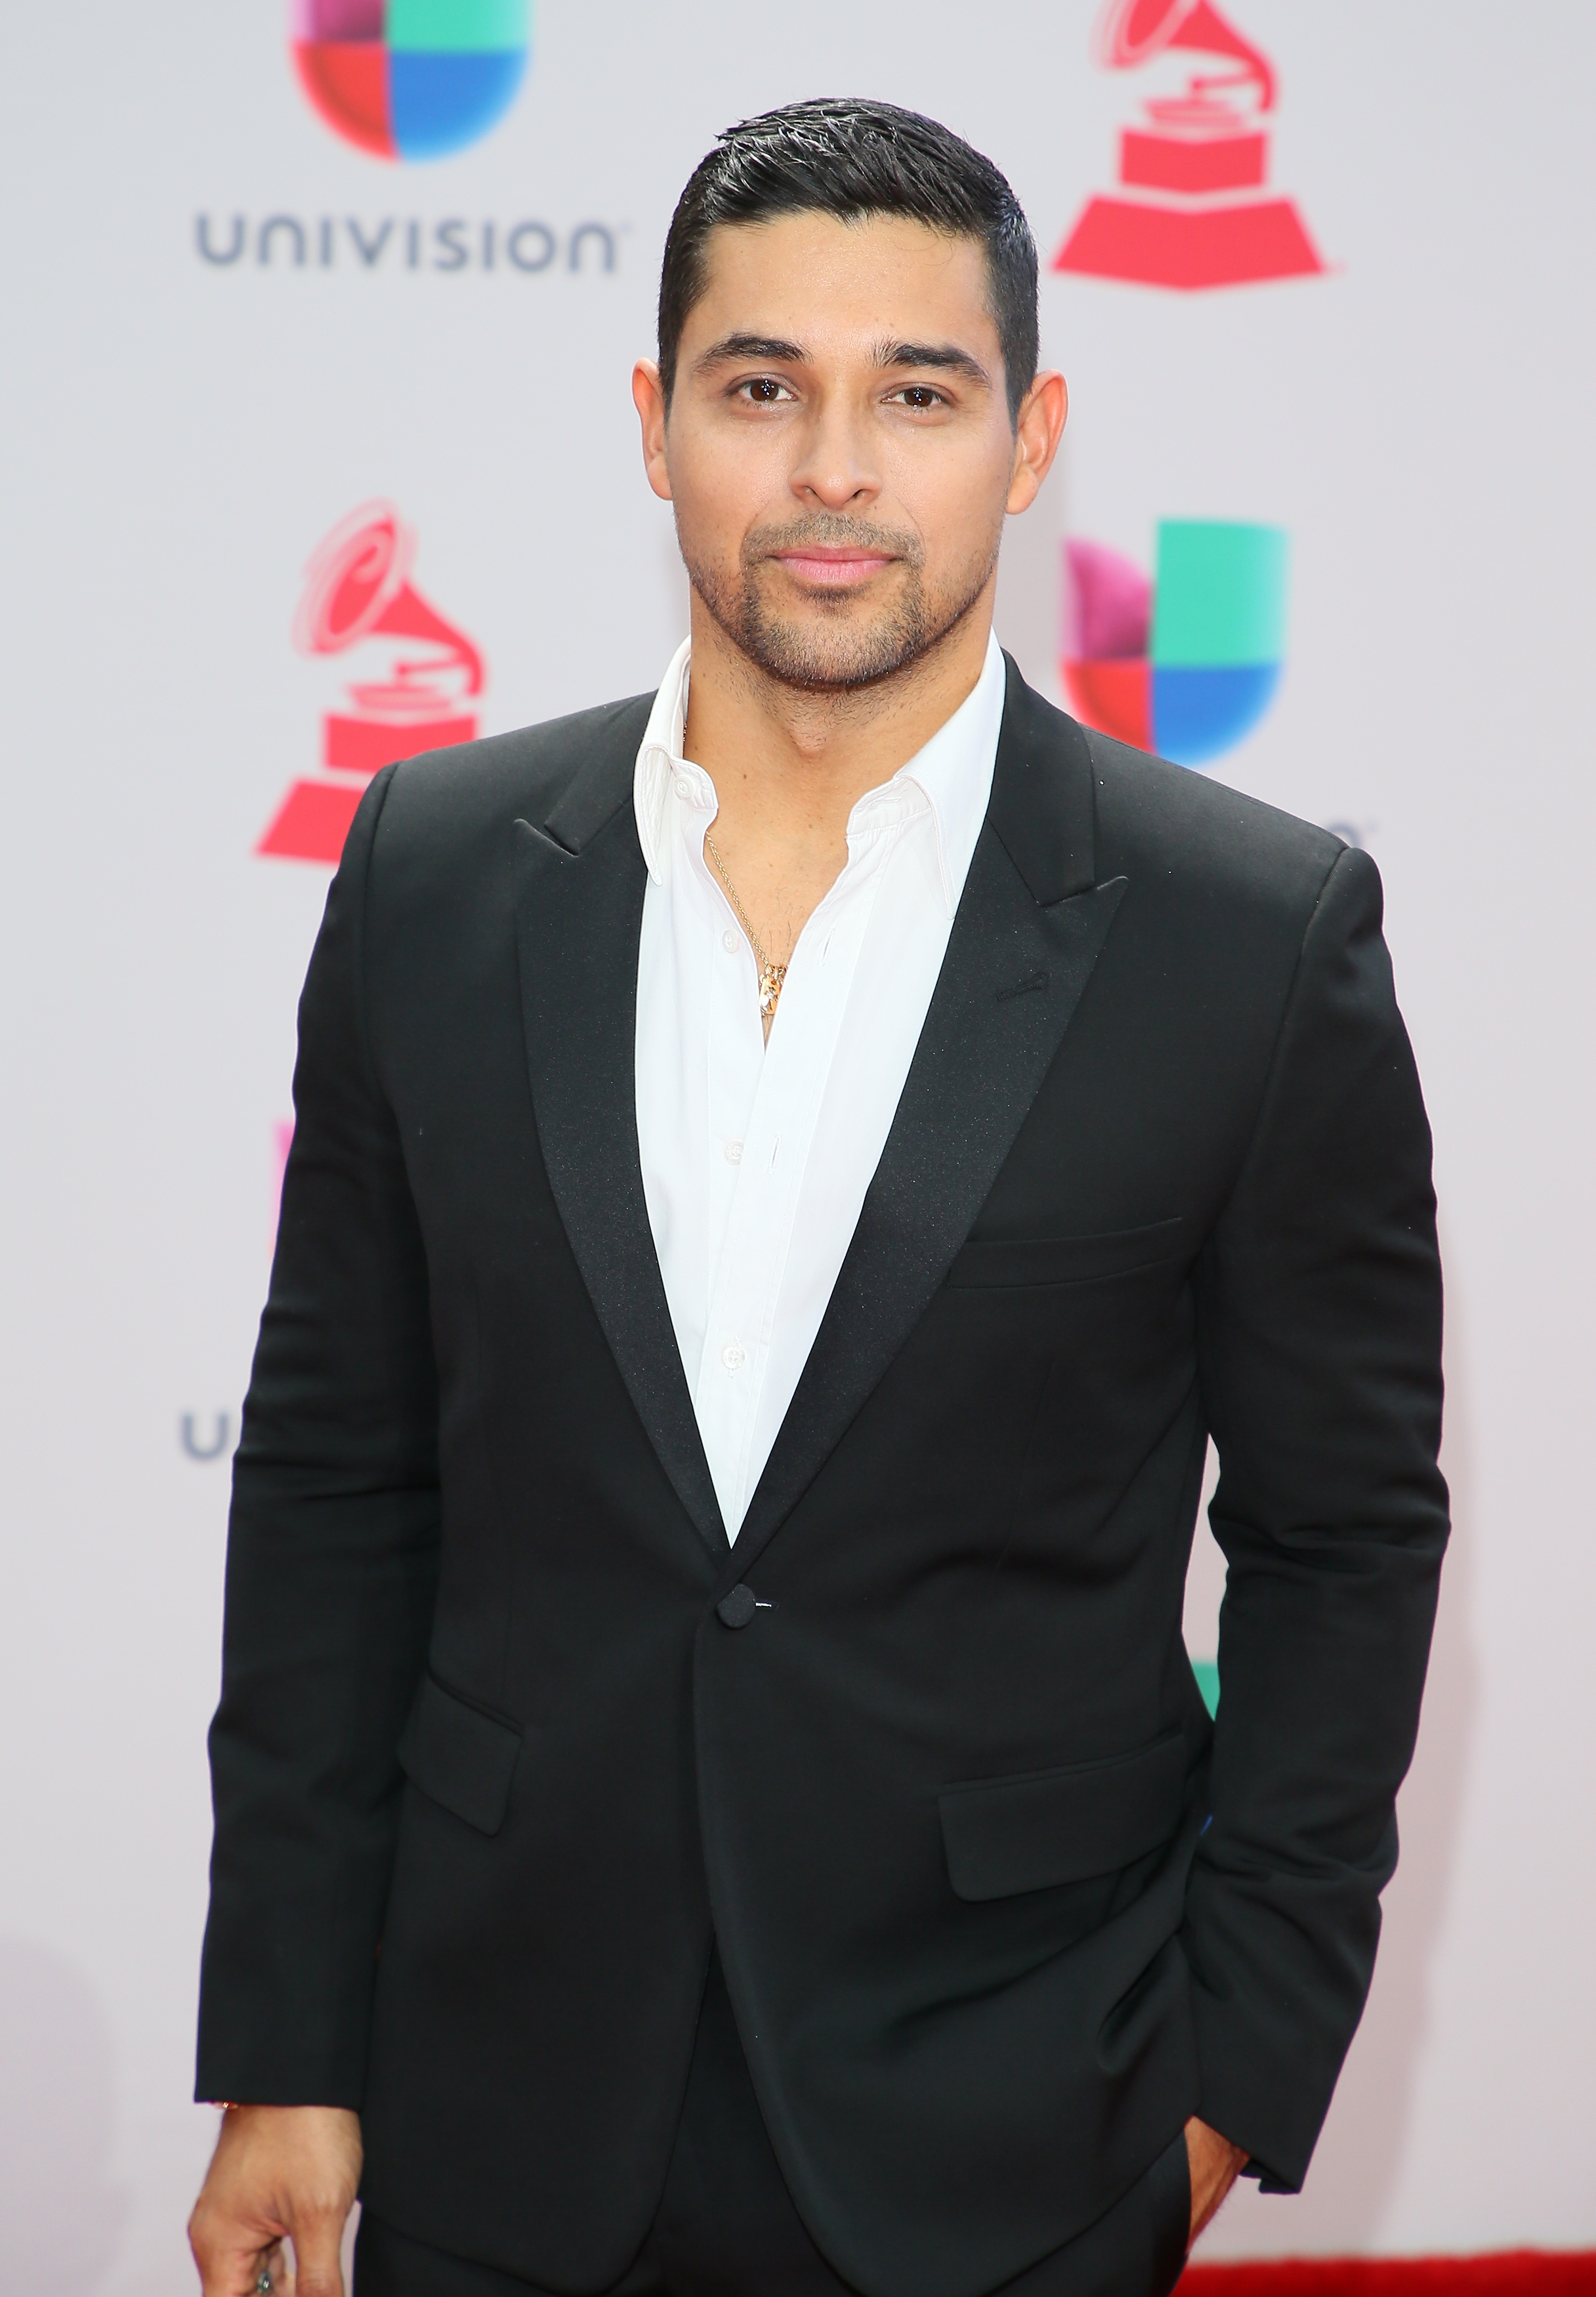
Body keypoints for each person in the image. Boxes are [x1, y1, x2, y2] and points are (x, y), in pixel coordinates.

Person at [188, 98, 1448, 2297]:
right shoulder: (433, 877)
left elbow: (1343, 1542)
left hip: (1020, 2129)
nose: (836, 468)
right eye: (762, 388)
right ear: (655, 424)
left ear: (1031, 438)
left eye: (918, 395)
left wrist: (1228, 2082)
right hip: (496, 2104)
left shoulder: (1250, 939)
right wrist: (290, 2040)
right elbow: (334, 1483)